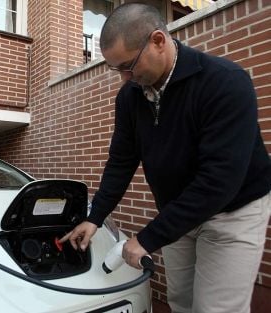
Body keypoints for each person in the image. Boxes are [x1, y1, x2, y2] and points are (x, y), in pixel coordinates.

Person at [59, 3, 271, 313]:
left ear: (158, 40)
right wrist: (95, 217)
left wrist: (148, 237)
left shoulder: (225, 82)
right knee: (181, 302)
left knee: (215, 309)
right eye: (116, 69)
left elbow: (220, 180)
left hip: (233, 211)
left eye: (128, 66)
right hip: (177, 214)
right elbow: (121, 161)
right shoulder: (130, 97)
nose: (124, 78)